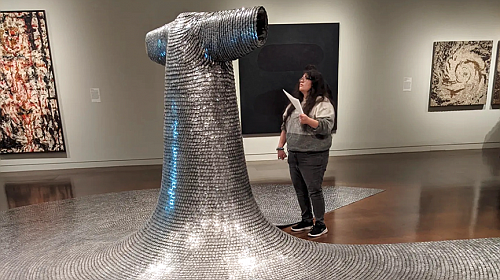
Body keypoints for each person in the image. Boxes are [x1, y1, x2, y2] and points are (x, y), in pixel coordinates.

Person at [277, 65, 335, 237]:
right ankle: (306, 219)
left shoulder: (323, 104)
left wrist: (309, 121)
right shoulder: (293, 104)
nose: (301, 80)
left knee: (314, 189)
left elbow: (326, 127)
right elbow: (284, 126)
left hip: (313, 154)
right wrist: (281, 146)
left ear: (315, 83)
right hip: (295, 153)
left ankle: (320, 223)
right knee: (300, 189)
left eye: (306, 78)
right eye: (301, 77)